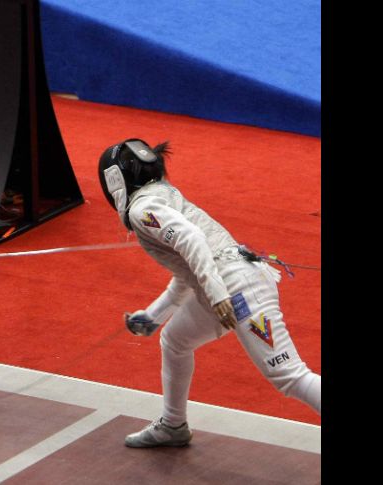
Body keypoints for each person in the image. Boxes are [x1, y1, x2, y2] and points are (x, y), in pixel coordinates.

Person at [98, 138, 320, 447]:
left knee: (289, 375)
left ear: (114, 180)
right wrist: (153, 316)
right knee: (175, 340)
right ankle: (173, 425)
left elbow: (193, 240)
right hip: (231, 281)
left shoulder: (143, 209)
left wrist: (218, 296)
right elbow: (187, 272)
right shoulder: (163, 197)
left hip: (236, 288)